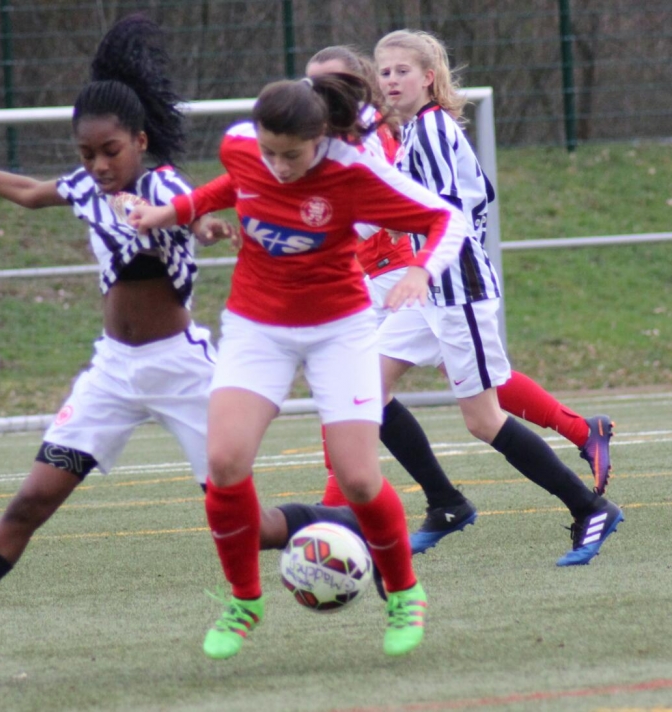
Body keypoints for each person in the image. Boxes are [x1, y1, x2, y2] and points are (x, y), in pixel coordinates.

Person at [0, 14, 369, 677]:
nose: (99, 165)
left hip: (183, 372)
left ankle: (348, 524)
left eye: (111, 151)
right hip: (113, 374)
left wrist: (207, 227)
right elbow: (28, 192)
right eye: (87, 153)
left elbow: (197, 211)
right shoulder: (83, 188)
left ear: (140, 141)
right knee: (29, 503)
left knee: (255, 524)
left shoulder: (163, 186)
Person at [130, 72, 472, 659]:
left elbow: (447, 219)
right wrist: (173, 212)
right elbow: (233, 185)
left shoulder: (355, 173)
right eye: (270, 153)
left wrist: (420, 270)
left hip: (339, 331)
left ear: (320, 139)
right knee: (224, 462)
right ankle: (245, 600)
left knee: (358, 478)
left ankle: (403, 592)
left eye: (292, 156)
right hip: (257, 326)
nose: (279, 166)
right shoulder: (241, 146)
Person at [305, 47, 616, 528]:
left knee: (465, 400)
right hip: (402, 272)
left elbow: (422, 209)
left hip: (411, 271)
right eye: (313, 85)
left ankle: (348, 507)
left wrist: (336, 233)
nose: (320, 94)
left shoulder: (380, 131)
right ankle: (447, 497)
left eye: (332, 84)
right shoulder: (367, 129)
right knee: (375, 383)